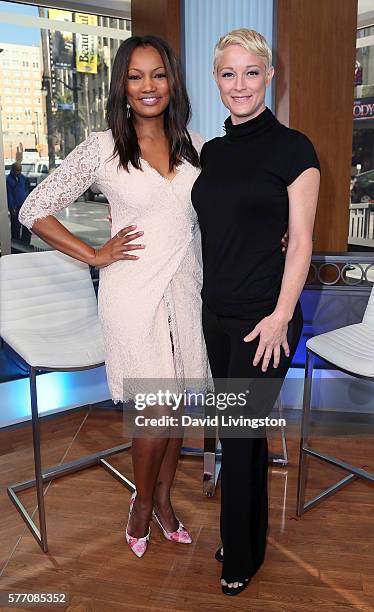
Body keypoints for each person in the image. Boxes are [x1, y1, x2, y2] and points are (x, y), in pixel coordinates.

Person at [19, 35, 208, 558]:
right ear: (122, 87)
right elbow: (34, 207)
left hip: (186, 292)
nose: (149, 86)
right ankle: (142, 504)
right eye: (136, 76)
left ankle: (166, 501)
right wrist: (95, 255)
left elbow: (208, 214)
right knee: (156, 411)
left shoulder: (192, 143)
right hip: (131, 293)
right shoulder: (102, 147)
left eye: (158, 75)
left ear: (172, 82)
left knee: (177, 412)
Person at [191, 29, 320, 595]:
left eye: (250, 73)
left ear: (270, 76)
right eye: (228, 73)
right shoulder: (212, 152)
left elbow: (303, 239)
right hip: (215, 314)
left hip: (264, 320)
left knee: (242, 441)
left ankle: (240, 556)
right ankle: (244, 537)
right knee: (235, 435)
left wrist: (280, 315)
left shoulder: (295, 149)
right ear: (216, 80)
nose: (239, 84)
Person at [6, 163, 31, 244]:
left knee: (26, 225)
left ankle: (25, 242)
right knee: (15, 226)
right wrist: (12, 207)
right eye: (17, 170)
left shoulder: (22, 178)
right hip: (15, 206)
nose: (19, 172)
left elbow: (26, 190)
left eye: (20, 170)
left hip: (23, 205)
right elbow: (9, 194)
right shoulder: (8, 180)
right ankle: (15, 243)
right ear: (13, 170)